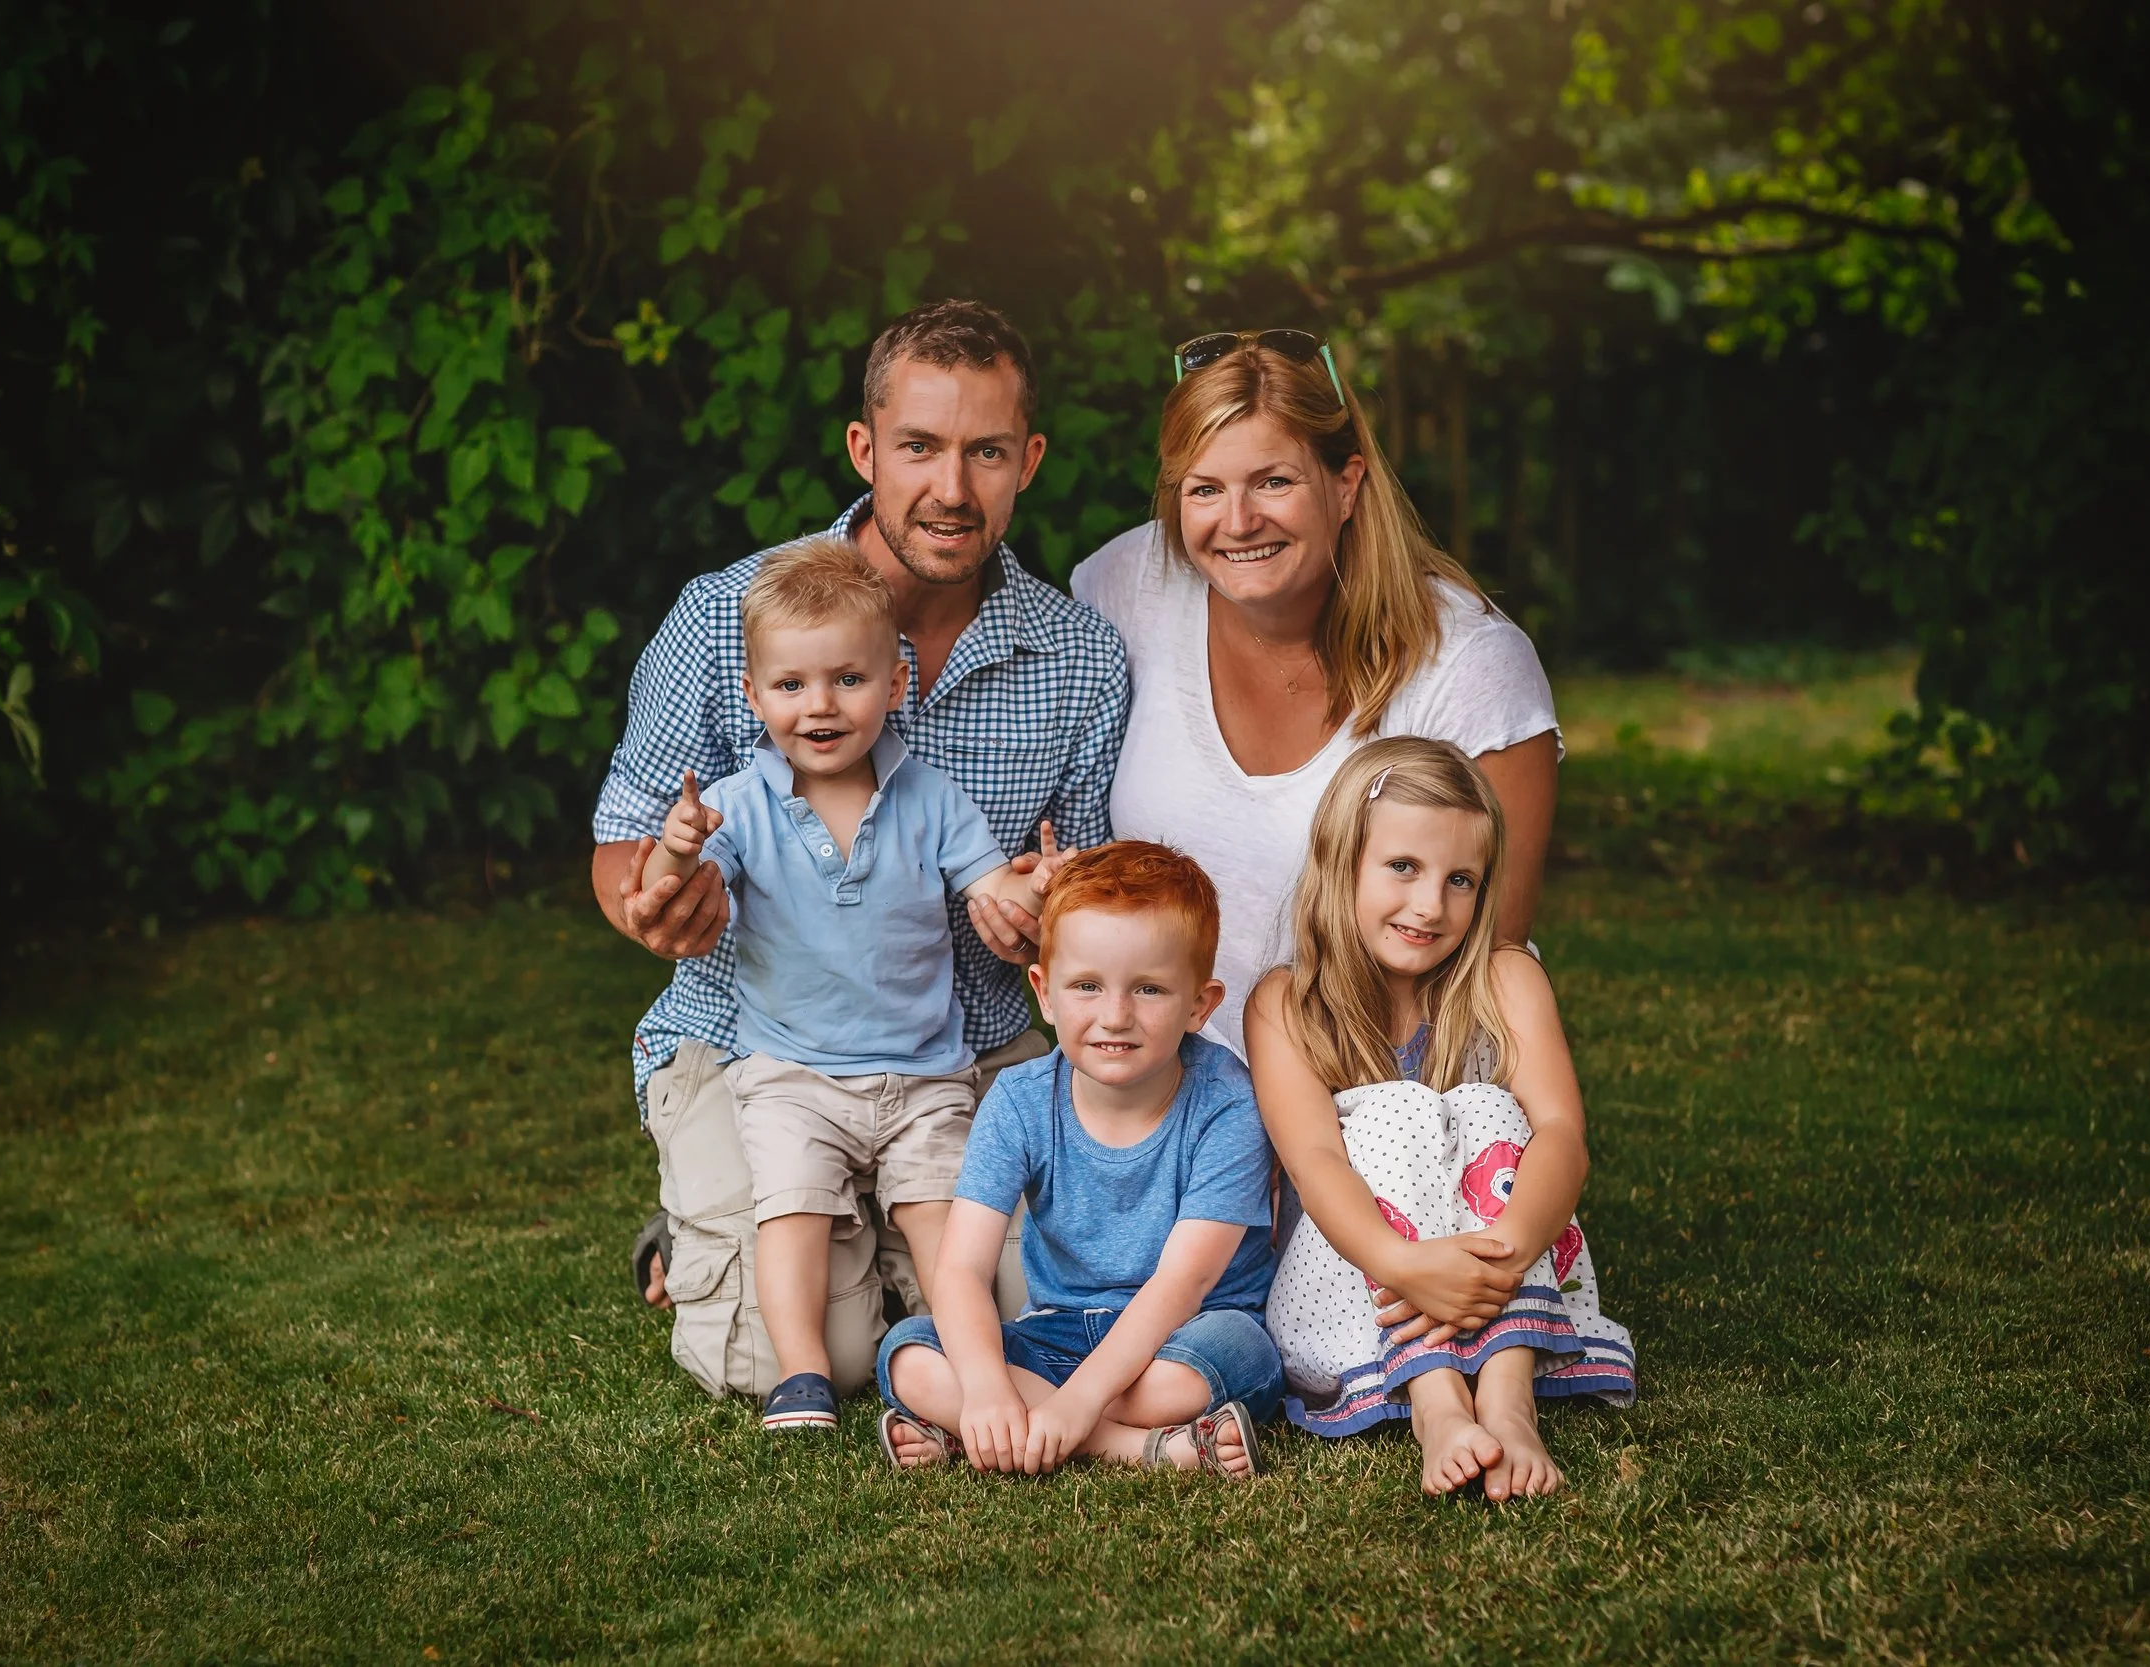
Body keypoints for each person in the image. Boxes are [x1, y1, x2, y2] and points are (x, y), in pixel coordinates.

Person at [590, 300, 1130, 1401]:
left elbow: (1090, 881)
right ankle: (716, 1217)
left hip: (963, 1048)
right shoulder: (722, 618)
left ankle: (833, 1227)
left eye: (986, 452)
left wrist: (1047, 898)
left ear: (1027, 460)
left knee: (1034, 1320)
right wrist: (655, 903)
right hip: (758, 1047)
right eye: (920, 447)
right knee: (804, 1360)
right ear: (865, 448)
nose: (952, 488)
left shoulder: (1077, 658)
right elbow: (622, 840)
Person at [1014, 329, 1558, 1058]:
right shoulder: (1126, 588)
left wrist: (1301, 1137)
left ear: (1346, 483)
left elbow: (1490, 957)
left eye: (1273, 481)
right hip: (1163, 1090)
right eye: (1205, 489)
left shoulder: (1471, 664)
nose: (1237, 522)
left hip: (1382, 1091)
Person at [639, 534, 1062, 1431]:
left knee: (946, 1222)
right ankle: (801, 1375)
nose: (819, 706)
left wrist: (1033, 886)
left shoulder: (931, 798)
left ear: (895, 683)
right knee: (790, 1213)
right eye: (791, 686)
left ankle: (963, 1364)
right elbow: (664, 892)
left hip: (924, 1071)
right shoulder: (740, 804)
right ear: (754, 696)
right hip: (791, 1074)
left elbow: (991, 886)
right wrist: (678, 844)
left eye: (848, 680)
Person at [1248, 737, 1635, 1500]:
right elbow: (1314, 1165)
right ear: (1341, 862)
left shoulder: (1505, 977)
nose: (1431, 905)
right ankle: (1435, 1406)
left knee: (1487, 1102)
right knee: (1394, 1107)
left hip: (1500, 1273)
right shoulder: (1287, 1003)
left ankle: (1507, 1402)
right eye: (1403, 868)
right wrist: (1404, 1264)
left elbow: (1561, 1132)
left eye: (1460, 879)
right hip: (1356, 1282)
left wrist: (1507, 1253)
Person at [876, 842, 1284, 1479]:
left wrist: (1080, 1401)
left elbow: (1184, 1283)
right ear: (1044, 991)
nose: (1114, 1017)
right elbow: (960, 1267)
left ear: (1200, 1005)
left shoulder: (1227, 1104)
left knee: (1218, 1365)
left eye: (1149, 989)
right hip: (1054, 1334)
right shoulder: (1020, 1099)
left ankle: (1002, 1433)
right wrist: (985, 1387)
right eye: (1087, 986)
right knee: (910, 1354)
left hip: (1187, 1335)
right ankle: (1146, 1450)